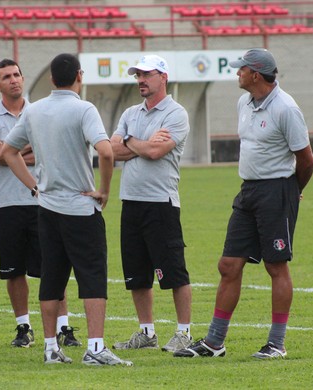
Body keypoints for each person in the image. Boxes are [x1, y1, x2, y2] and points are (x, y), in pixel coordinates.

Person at [174, 48, 313, 359]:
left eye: (241, 69)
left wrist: (292, 191)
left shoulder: (286, 108)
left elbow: (306, 160)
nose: (237, 73)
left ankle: (276, 344)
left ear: (256, 74)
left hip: (276, 191)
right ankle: (214, 342)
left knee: (275, 266)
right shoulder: (243, 102)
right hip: (248, 191)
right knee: (228, 265)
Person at [2, 53, 131, 366]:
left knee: (52, 278)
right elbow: (105, 150)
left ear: (50, 79)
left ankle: (50, 349)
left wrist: (34, 185)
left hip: (47, 207)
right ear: (79, 76)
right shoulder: (83, 109)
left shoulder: (34, 111)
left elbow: (8, 151)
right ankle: (96, 348)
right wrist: (105, 191)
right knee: (93, 278)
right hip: (80, 208)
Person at [0, 59, 80, 348]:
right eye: (7, 77)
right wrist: (22, 151)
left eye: (17, 74)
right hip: (6, 202)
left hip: (44, 200)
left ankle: (64, 327)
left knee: (54, 265)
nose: (14, 80)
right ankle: (24, 327)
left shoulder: (40, 112)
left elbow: (45, 150)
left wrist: (10, 151)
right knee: (14, 269)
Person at [110, 54, 193, 353]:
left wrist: (131, 142)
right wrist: (141, 143)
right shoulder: (131, 113)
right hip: (130, 202)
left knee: (174, 271)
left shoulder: (176, 113)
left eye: (147, 74)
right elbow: (111, 150)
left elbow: (156, 152)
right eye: (138, 75)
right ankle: (147, 333)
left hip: (161, 203)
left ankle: (184, 333)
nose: (141, 80)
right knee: (136, 275)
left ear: (163, 77)